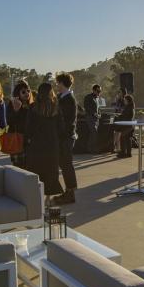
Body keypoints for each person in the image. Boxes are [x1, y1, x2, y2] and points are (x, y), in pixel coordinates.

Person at [25, 82, 66, 201]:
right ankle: (48, 199)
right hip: (52, 144)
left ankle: (36, 198)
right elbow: (61, 128)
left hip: (37, 144)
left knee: (36, 170)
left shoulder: (33, 107)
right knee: (51, 172)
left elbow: (29, 128)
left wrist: (28, 140)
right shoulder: (56, 107)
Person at [54, 73, 78, 204]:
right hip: (63, 137)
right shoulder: (61, 97)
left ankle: (70, 193)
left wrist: (60, 134)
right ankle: (69, 191)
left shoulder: (69, 99)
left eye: (57, 83)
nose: (56, 85)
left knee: (66, 165)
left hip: (66, 137)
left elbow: (68, 122)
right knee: (64, 164)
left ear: (62, 83)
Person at [6, 80, 33, 168]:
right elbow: (9, 121)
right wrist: (16, 111)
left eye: (28, 91)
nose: (27, 93)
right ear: (18, 93)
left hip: (29, 141)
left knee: (30, 166)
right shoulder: (12, 104)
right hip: (16, 140)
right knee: (19, 167)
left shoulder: (32, 105)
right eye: (23, 92)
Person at [114, 94, 135, 158]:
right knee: (128, 140)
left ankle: (123, 153)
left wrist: (119, 116)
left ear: (128, 100)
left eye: (125, 100)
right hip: (129, 125)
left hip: (126, 126)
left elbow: (126, 116)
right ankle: (128, 153)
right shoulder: (131, 106)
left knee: (123, 139)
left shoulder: (128, 107)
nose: (124, 101)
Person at [83, 84, 102, 153]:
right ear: (93, 90)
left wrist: (99, 114)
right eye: (98, 91)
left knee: (93, 133)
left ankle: (90, 149)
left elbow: (98, 108)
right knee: (94, 132)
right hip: (90, 117)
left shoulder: (97, 98)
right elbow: (86, 107)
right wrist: (94, 113)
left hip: (96, 118)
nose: (99, 92)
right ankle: (92, 149)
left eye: (100, 91)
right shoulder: (88, 97)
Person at [112, 87, 127, 152]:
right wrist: (115, 101)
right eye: (118, 92)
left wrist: (117, 107)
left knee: (119, 133)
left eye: (120, 92)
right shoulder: (118, 99)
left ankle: (119, 148)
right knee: (115, 132)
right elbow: (114, 106)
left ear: (123, 93)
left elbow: (123, 108)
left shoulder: (125, 99)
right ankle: (116, 147)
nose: (119, 93)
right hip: (116, 117)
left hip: (121, 117)